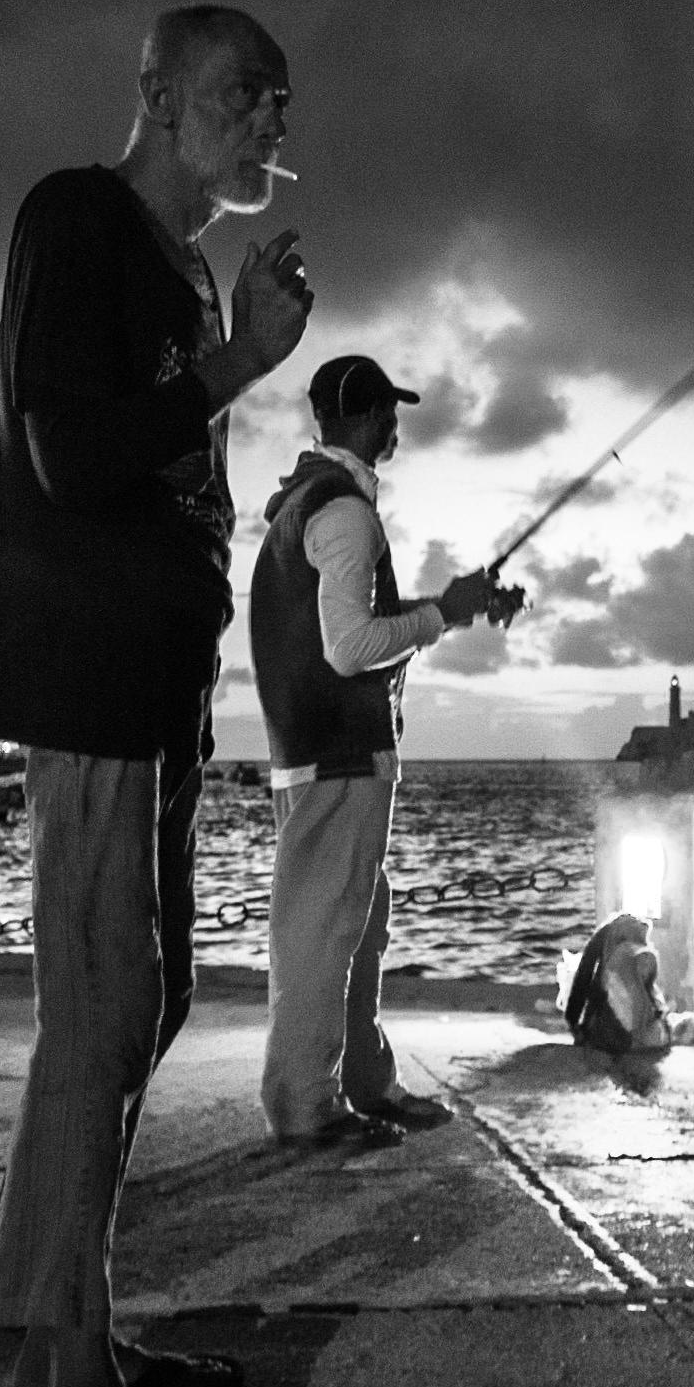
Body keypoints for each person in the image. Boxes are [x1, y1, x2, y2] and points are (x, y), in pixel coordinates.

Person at [0, 4, 307, 1387]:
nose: (271, 118)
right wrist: (239, 364)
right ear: (156, 91)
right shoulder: (76, 218)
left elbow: (165, 476)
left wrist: (226, 346)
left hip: (157, 687)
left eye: (280, 102)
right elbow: (69, 451)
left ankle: (54, 1333)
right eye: (244, 91)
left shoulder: (187, 268)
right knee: (102, 1013)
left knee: (143, 1008)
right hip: (87, 681)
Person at [251, 356, 499, 1145]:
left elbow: (351, 630)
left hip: (318, 755)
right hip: (340, 757)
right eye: (389, 412)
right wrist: (440, 616)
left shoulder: (307, 504)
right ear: (364, 418)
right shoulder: (344, 513)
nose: (395, 426)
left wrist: (449, 608)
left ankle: (364, 1080)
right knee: (327, 935)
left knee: (358, 925)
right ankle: (305, 1106)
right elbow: (350, 647)